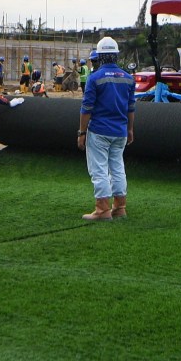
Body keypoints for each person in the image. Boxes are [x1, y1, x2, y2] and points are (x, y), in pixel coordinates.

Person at [77, 36, 136, 222]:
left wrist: (82, 132)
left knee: (99, 169)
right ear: (116, 56)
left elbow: (86, 108)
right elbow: (131, 107)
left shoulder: (95, 78)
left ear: (100, 57)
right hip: (120, 132)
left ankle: (102, 209)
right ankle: (120, 207)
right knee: (117, 168)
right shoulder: (128, 78)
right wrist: (130, 129)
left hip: (100, 131)